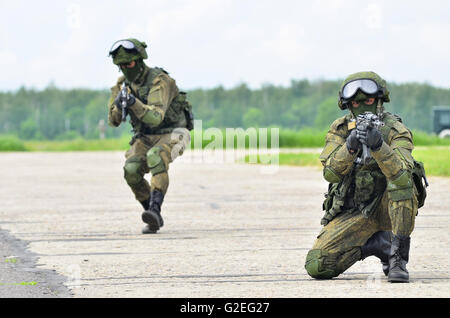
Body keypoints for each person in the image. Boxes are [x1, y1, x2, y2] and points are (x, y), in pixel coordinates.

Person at [304, 71, 427, 282]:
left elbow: (402, 173)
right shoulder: (341, 129)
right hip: (357, 210)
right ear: (348, 105)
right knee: (318, 265)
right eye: (356, 103)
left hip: (389, 207)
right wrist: (349, 147)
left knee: (401, 184)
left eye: (369, 100)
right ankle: (378, 244)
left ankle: (397, 258)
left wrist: (379, 146)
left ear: (379, 101)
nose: (362, 107)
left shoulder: (395, 130)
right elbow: (331, 174)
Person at [107, 38, 193, 234]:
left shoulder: (160, 81)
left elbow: (155, 117)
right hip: (145, 136)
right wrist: (120, 104)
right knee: (131, 170)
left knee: (156, 156)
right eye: (121, 66)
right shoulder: (121, 85)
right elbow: (113, 121)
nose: (126, 68)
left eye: (128, 64)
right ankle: (152, 215)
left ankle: (155, 208)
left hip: (173, 133)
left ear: (139, 61)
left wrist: (133, 102)